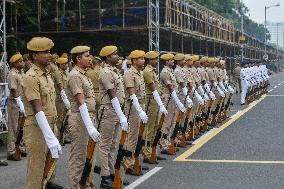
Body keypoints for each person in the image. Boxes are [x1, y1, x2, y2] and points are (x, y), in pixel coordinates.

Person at [22, 37, 62, 189]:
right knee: (37, 173)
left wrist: (53, 134)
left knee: (49, 173)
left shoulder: (47, 75)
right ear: (34, 56)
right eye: (45, 52)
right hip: (37, 130)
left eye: (49, 51)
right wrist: (51, 138)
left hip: (50, 127)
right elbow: (38, 110)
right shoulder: (30, 77)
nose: (49, 55)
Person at [66, 46, 101, 189]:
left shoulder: (84, 74)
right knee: (79, 157)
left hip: (89, 117)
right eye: (86, 56)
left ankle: (85, 183)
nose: (90, 58)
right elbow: (80, 101)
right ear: (78, 59)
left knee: (89, 156)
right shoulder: (75, 75)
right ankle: (75, 186)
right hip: (80, 119)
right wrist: (90, 126)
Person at [98, 46, 127, 188]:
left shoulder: (114, 71)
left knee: (113, 145)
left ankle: (111, 173)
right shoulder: (106, 72)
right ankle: (105, 177)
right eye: (114, 54)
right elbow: (111, 94)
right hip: (109, 111)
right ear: (107, 57)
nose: (117, 56)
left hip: (116, 110)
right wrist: (121, 115)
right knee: (105, 145)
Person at [123, 50, 148, 174]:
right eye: (141, 58)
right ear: (133, 60)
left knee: (140, 136)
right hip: (133, 108)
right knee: (132, 136)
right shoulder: (129, 74)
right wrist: (140, 111)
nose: (143, 60)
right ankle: (127, 163)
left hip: (141, 105)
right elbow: (132, 94)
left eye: (143, 58)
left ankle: (134, 161)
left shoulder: (139, 73)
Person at [143, 51, 168, 163]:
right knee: (149, 128)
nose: (157, 61)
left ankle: (153, 152)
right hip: (151, 102)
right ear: (150, 60)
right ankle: (147, 153)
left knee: (154, 127)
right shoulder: (148, 72)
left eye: (157, 59)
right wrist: (161, 104)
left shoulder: (152, 71)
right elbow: (153, 89)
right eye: (155, 59)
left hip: (155, 102)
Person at [159, 53, 186, 155]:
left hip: (172, 99)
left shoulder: (170, 71)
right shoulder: (165, 72)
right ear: (166, 61)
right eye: (171, 60)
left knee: (171, 122)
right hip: (168, 99)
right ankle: (163, 144)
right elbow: (170, 88)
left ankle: (168, 142)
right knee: (166, 122)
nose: (173, 61)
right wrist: (178, 101)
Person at [7, 53, 26, 161]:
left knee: (21, 127)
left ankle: (20, 147)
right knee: (14, 128)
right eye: (20, 61)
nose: (22, 62)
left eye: (22, 60)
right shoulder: (12, 74)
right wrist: (19, 102)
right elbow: (13, 90)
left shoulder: (21, 72)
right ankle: (11, 151)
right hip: (15, 103)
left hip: (21, 102)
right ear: (14, 63)